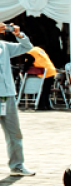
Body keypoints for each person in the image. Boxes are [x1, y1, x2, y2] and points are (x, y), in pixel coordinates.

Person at [0, 23, 35, 175]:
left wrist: (18, 34)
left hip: (8, 95)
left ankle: (17, 164)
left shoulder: (4, 46)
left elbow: (27, 47)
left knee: (14, 132)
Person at [28, 46, 56, 111]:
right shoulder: (38, 49)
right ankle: (47, 105)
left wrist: (24, 70)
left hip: (45, 72)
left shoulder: (31, 52)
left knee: (42, 89)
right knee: (47, 90)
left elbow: (28, 63)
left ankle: (42, 105)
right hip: (51, 70)